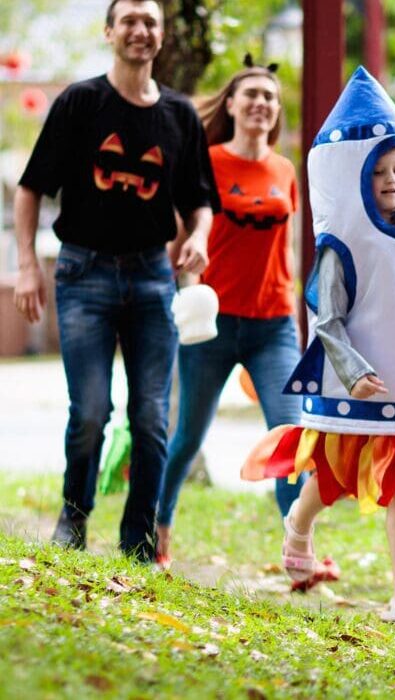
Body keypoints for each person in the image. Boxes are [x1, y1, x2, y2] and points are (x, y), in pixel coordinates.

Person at [242, 67, 395, 621]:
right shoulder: (339, 245)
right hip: (352, 383)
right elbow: (326, 319)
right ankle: (297, 524)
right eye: (377, 170)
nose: (391, 178)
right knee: (331, 477)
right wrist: (352, 373)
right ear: (352, 175)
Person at [12, 0, 217, 562]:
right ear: (109, 32)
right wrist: (28, 264)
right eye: (128, 20)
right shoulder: (81, 102)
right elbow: (30, 188)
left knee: (152, 416)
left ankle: (139, 540)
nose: (140, 30)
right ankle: (73, 516)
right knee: (91, 412)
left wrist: (198, 235)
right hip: (84, 274)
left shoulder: (179, 116)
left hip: (154, 278)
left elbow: (200, 201)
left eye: (150, 21)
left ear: (160, 36)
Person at [154, 57, 310, 571]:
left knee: (289, 437)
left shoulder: (286, 170)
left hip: (273, 326)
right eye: (251, 95)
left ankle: (299, 553)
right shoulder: (208, 162)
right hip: (210, 325)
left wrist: (297, 317)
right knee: (187, 438)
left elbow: (287, 249)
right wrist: (186, 288)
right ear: (232, 105)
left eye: (270, 96)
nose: (261, 104)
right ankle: (159, 527)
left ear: (276, 110)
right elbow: (180, 240)